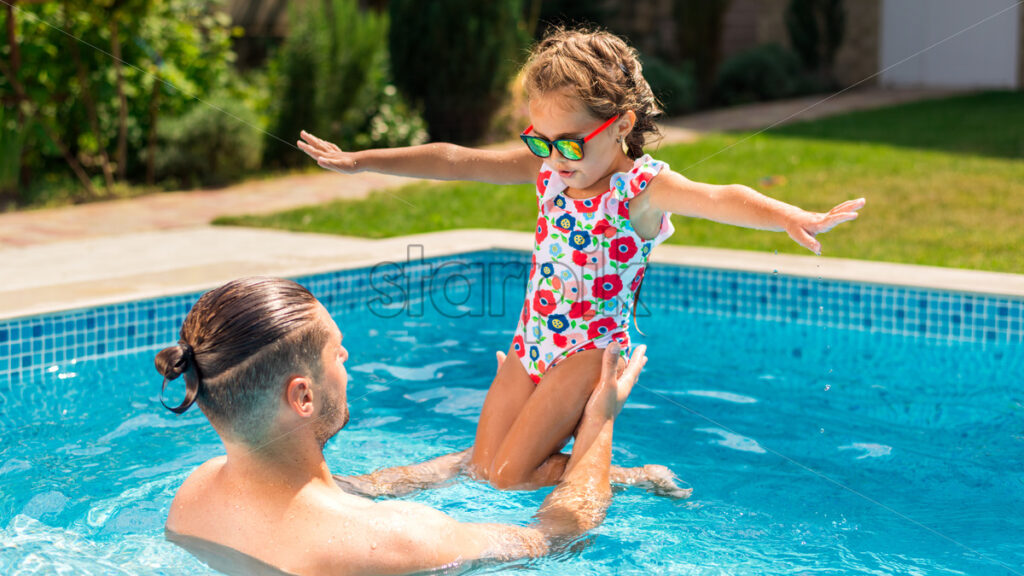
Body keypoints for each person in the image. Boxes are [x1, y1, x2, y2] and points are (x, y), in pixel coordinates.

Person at [297, 27, 865, 490]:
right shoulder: (550, 170)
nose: (554, 157)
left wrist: (791, 215)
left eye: (569, 142)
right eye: (540, 140)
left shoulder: (640, 188)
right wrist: (362, 160)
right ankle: (603, 472)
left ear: (620, 126)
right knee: (482, 467)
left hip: (587, 356)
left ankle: (621, 476)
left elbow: (721, 197)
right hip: (532, 342)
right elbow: (456, 160)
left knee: (509, 478)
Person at [156, 276, 647, 576]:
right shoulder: (399, 539)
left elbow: (365, 487)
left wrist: (478, 458)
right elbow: (557, 539)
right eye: (335, 351)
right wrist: (598, 421)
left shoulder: (195, 495)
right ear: (302, 396)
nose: (347, 358)